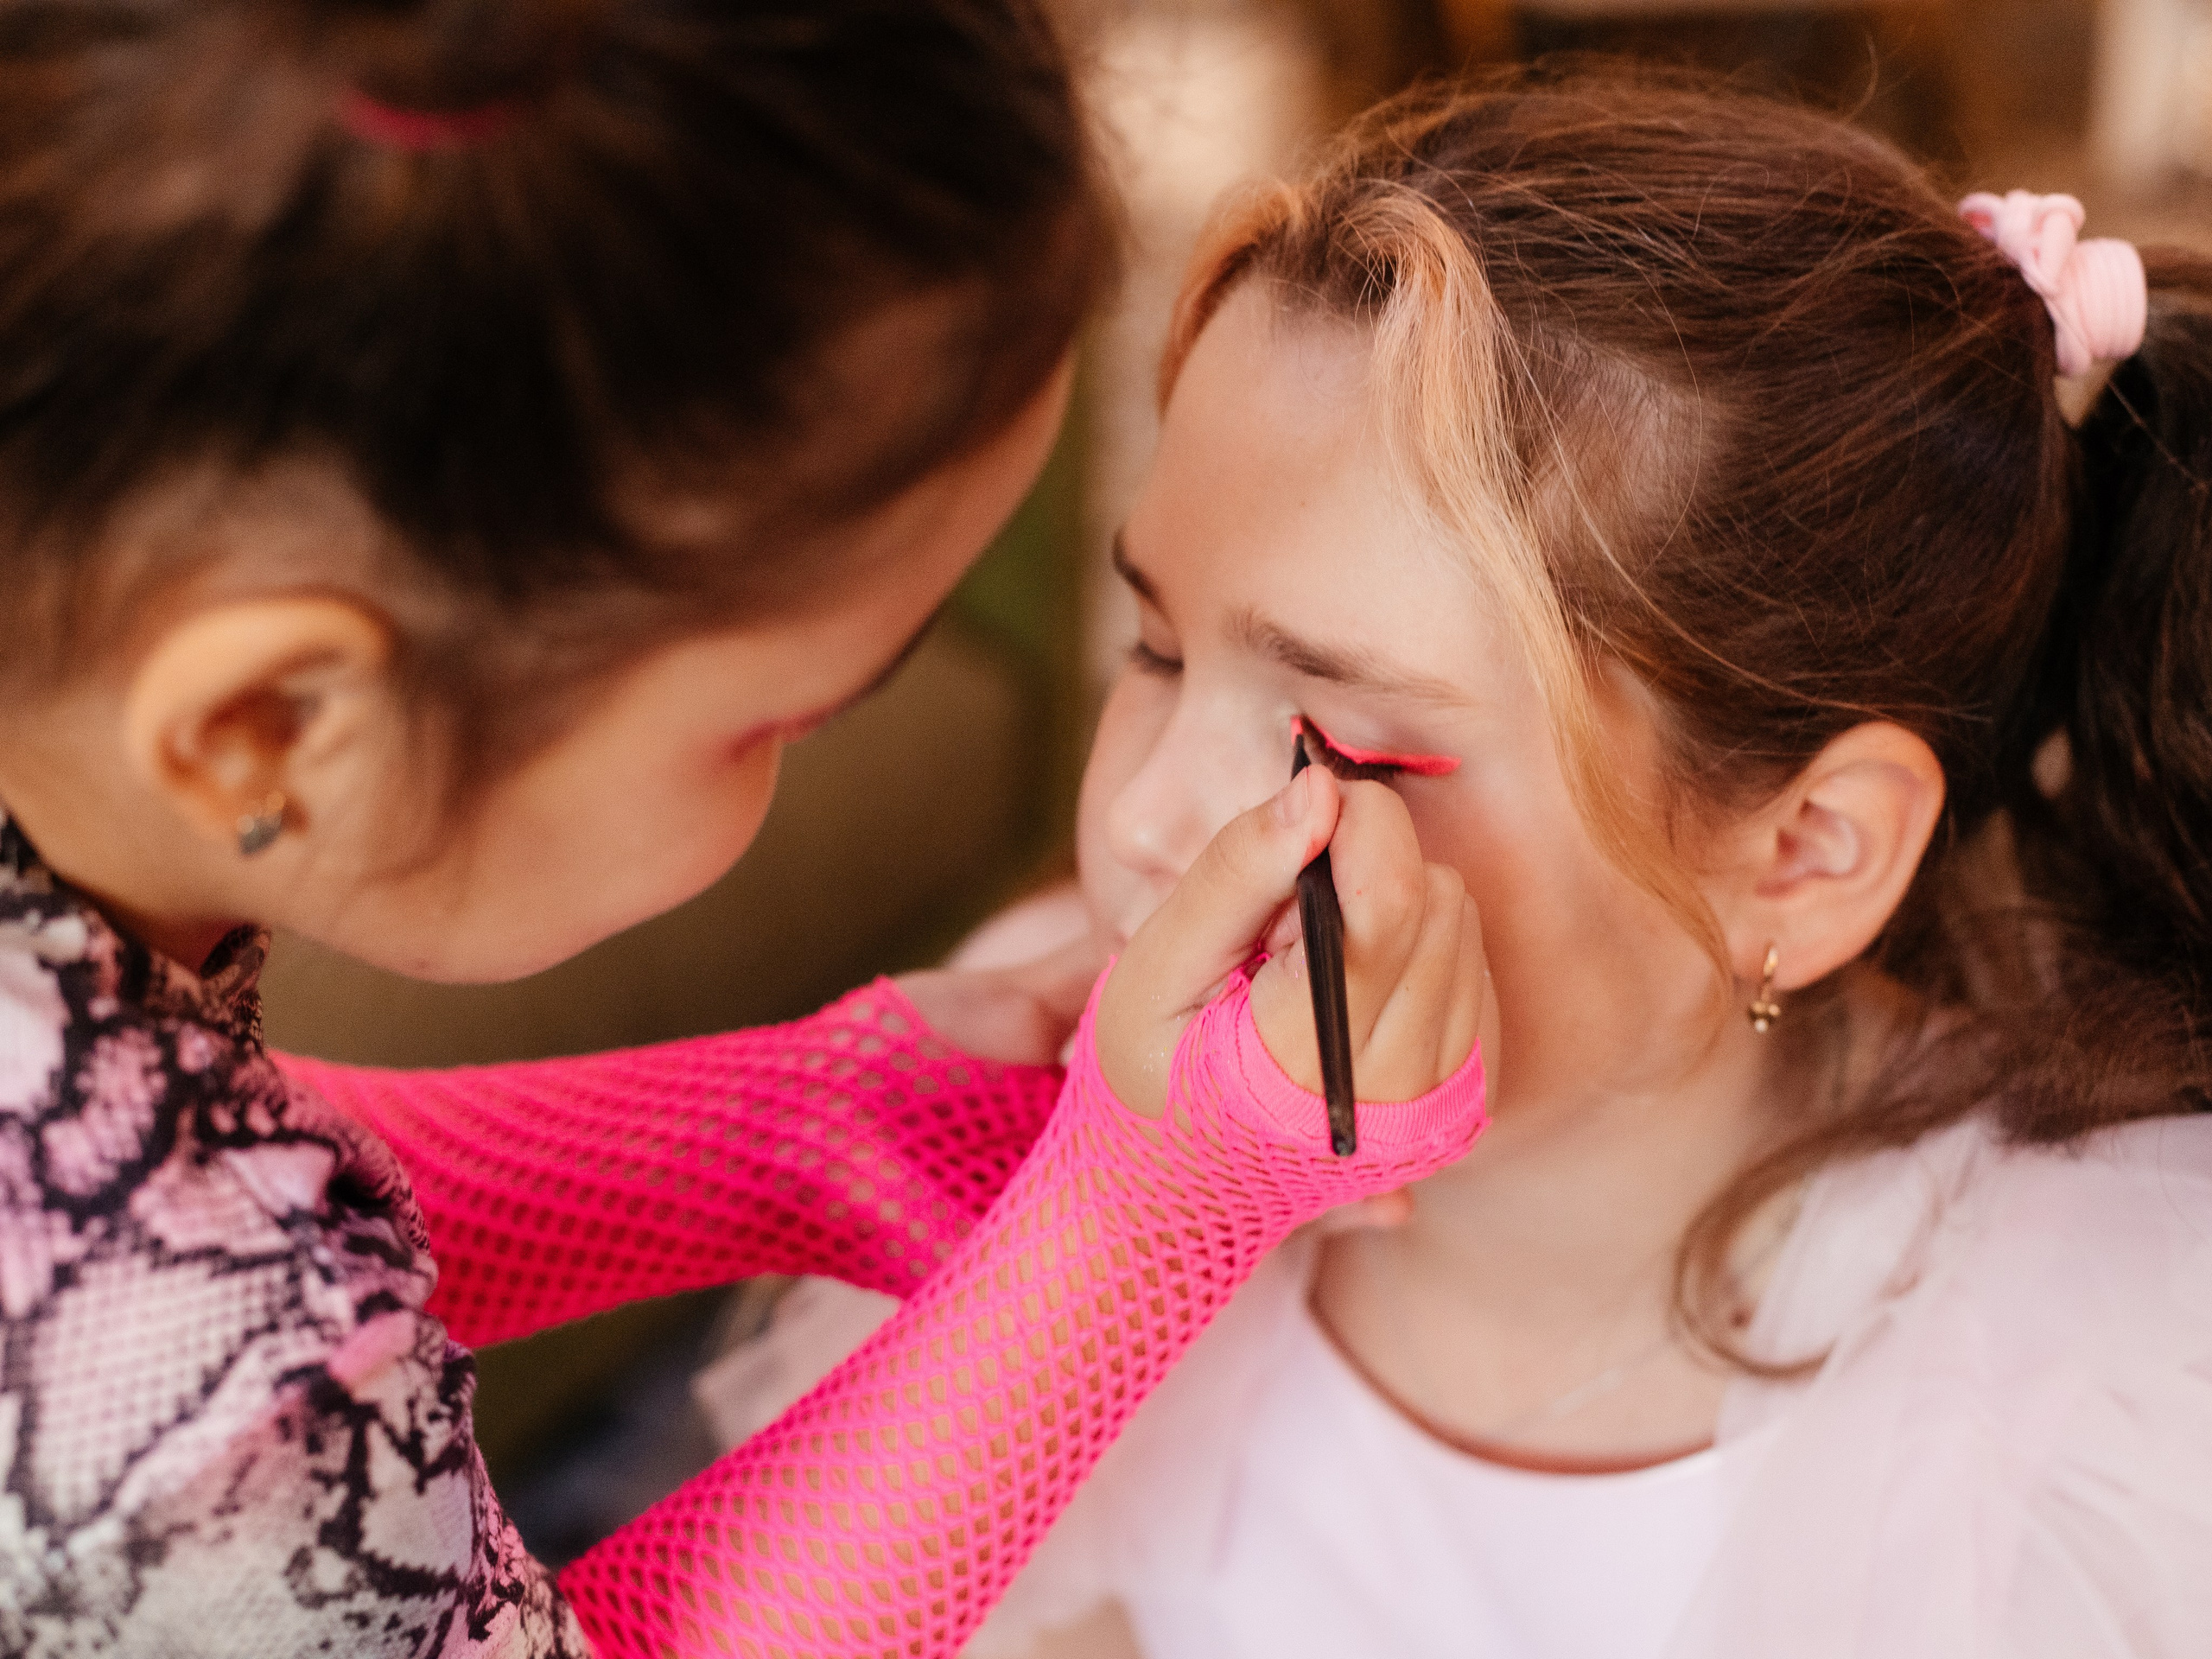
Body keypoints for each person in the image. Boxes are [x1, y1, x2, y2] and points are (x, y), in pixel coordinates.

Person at [0, 3, 1492, 1655]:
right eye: (783, 719)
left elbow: (151, 1146)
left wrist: (779, 1132)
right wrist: (1145, 1223)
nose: (1146, 822)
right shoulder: (148, 1397)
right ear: (270, 728)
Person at [942, 68, 2212, 1659]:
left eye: (1327, 745)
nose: (1136, 820)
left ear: (1806, 854)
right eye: (1153, 648)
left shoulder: (2103, 1429)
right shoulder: (1040, 1121)